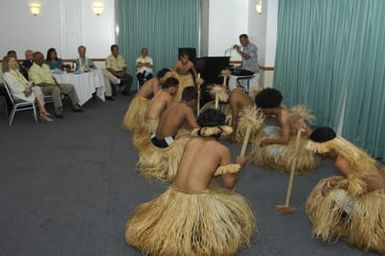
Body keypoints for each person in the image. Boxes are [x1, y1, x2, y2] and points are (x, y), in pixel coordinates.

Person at [125, 109, 256, 256]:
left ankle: (185, 229)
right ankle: (197, 230)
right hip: (197, 200)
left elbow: (198, 169)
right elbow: (229, 184)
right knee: (236, 202)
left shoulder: (190, 143)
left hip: (174, 195)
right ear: (222, 129)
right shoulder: (221, 150)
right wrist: (239, 166)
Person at [305, 127, 385, 254]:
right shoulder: (348, 150)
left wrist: (333, 185)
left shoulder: (340, 162)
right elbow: (357, 179)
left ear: (324, 148)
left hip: (375, 199)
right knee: (331, 184)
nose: (315, 153)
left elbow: (359, 189)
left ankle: (358, 220)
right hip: (380, 189)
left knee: (330, 194)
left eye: (315, 150)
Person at [250, 88, 318, 174]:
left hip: (296, 139)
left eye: (262, 108)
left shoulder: (283, 117)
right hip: (290, 133)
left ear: (269, 108)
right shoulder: (280, 108)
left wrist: (268, 141)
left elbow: (285, 140)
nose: (261, 111)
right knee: (267, 129)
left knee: (272, 152)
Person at [137, 87, 199, 181]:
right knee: (192, 139)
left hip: (154, 139)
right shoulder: (187, 109)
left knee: (182, 132)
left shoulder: (173, 104)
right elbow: (196, 128)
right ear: (193, 100)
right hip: (164, 143)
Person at [29, 51, 82, 118]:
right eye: (40, 58)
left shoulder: (45, 66)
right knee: (56, 89)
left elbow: (52, 76)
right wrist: (54, 85)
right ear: (35, 59)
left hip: (52, 85)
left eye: (43, 57)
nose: (43, 59)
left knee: (70, 86)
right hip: (42, 88)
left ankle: (75, 105)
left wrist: (57, 83)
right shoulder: (32, 69)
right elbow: (39, 83)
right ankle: (58, 110)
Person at [132, 77, 179, 152]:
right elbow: (170, 114)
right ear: (172, 88)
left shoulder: (159, 91)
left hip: (145, 121)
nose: (176, 91)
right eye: (177, 88)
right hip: (153, 124)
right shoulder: (168, 97)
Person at [2, 56, 52, 121]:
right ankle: (43, 112)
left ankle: (42, 112)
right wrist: (26, 88)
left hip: (26, 90)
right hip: (19, 94)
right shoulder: (7, 74)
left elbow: (25, 81)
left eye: (14, 61)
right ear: (7, 63)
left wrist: (29, 85)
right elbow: (15, 88)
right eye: (12, 61)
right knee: (38, 92)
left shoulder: (16, 71)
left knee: (37, 90)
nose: (14, 63)